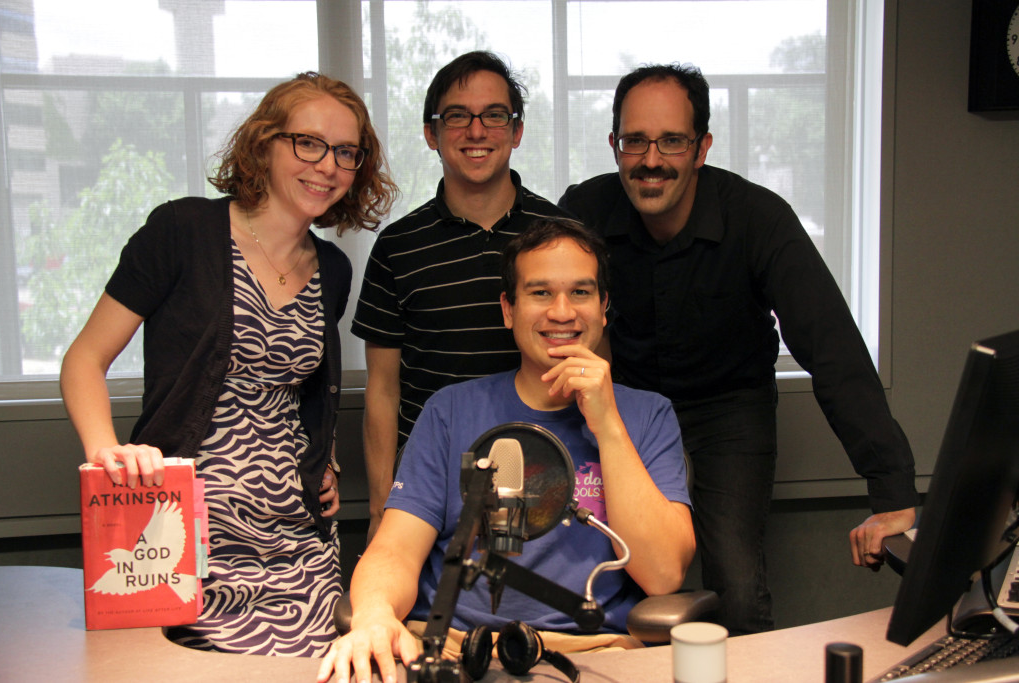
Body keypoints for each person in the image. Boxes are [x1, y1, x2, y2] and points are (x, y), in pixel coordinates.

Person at [558, 63, 918, 635]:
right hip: (627, 410)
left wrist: (892, 489)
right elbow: (547, 315)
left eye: (672, 141)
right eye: (635, 141)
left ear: (701, 148)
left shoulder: (758, 218)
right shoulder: (584, 211)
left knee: (740, 590)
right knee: (613, 575)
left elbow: (830, 346)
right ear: (614, 146)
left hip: (730, 410)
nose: (652, 159)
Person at [60, 72, 397, 656]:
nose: (327, 165)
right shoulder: (182, 231)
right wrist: (104, 451)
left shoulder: (334, 269)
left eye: (346, 152)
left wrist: (327, 459)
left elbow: (299, 390)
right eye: (308, 142)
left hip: (297, 548)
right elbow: (84, 359)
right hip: (183, 540)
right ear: (264, 143)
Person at [318, 218, 695, 683]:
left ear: (603, 307)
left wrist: (608, 424)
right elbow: (395, 549)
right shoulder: (451, 411)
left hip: (597, 652)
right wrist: (375, 614)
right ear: (508, 310)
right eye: (540, 293)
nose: (562, 313)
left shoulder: (648, 416)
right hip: (453, 648)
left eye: (580, 293)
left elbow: (663, 575)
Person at [351, 51, 573, 541]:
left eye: (494, 115)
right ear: (432, 133)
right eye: (457, 116)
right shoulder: (397, 247)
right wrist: (379, 509)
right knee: (425, 612)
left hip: (542, 478)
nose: (477, 132)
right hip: (428, 489)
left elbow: (593, 366)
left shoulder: (563, 238)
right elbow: (384, 392)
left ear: (516, 131)